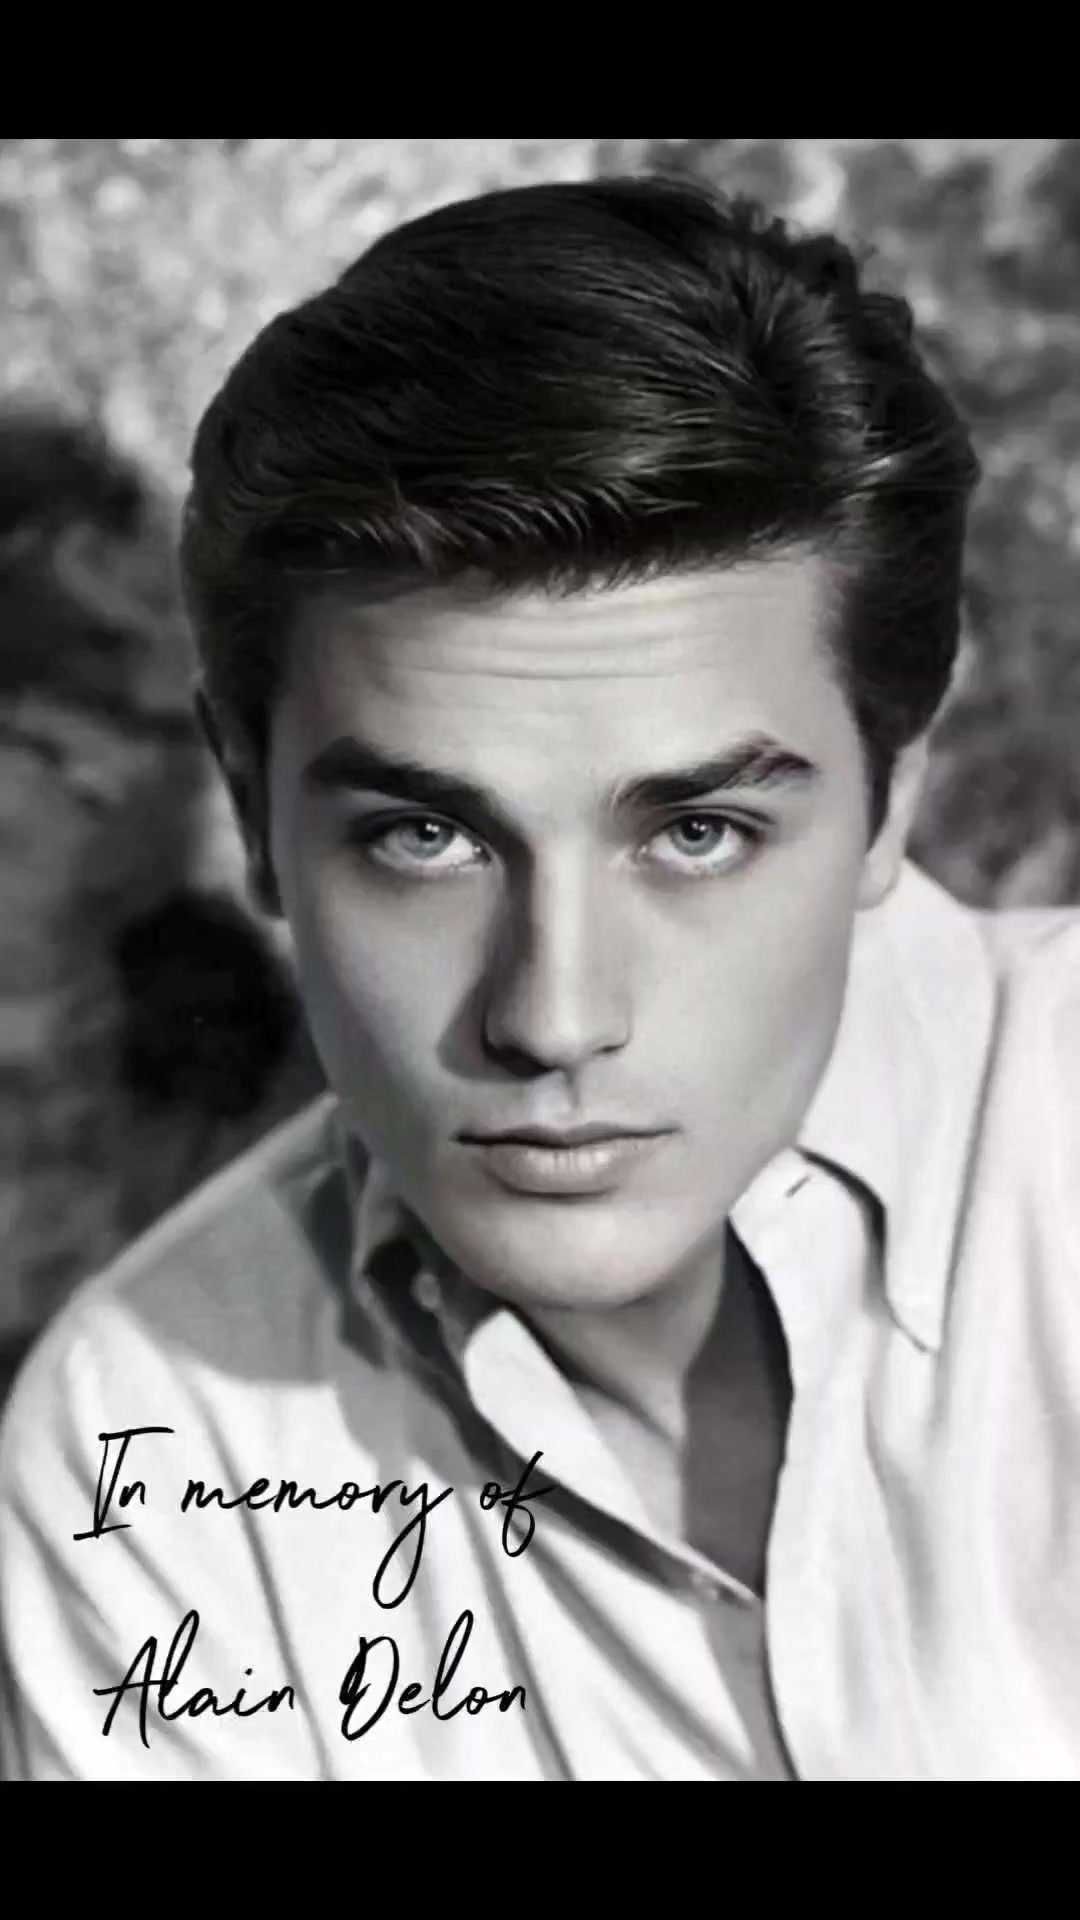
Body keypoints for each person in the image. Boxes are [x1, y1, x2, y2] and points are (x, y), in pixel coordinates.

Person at [1, 172, 1077, 1782]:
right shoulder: (146, 1451)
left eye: (699, 833)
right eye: (426, 837)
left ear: (890, 802)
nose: (554, 1015)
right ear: (249, 812)